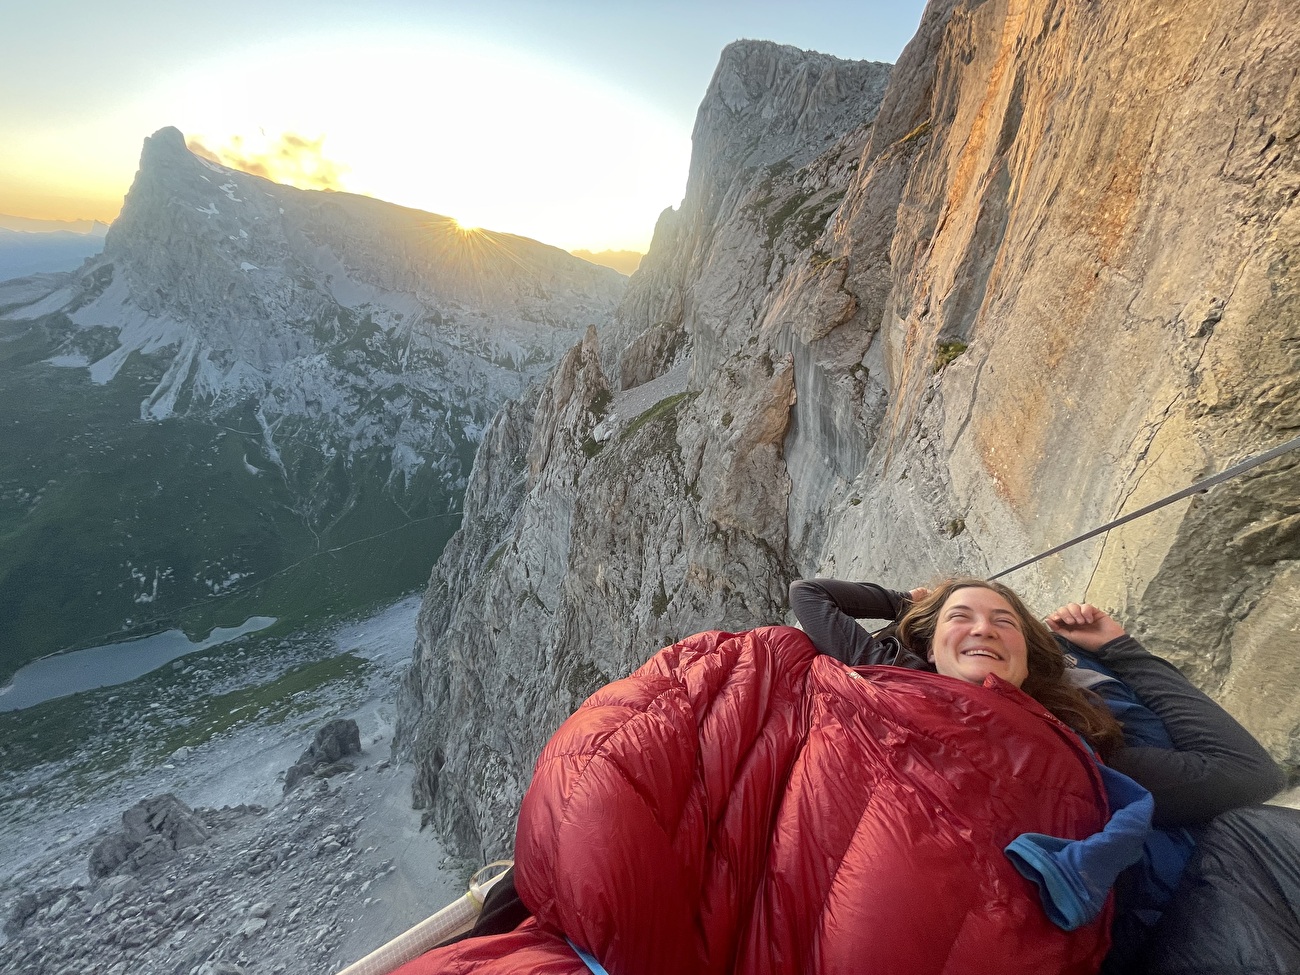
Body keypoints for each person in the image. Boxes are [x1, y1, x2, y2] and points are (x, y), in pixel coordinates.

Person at [789, 575, 1286, 972]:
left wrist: (1120, 650)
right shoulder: (901, 679)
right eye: (961, 619)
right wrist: (908, 602)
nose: (984, 629)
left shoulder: (1079, 753)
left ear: (1029, 659)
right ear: (930, 648)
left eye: (1004, 623)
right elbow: (809, 595)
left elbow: (1245, 773)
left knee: (1253, 832)